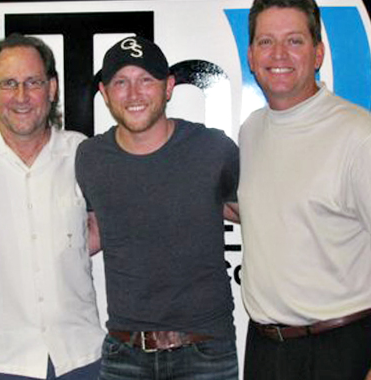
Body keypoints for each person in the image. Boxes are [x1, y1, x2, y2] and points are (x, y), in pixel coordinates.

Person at [0, 34, 105, 380]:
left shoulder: (81, 152)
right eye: (9, 84)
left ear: (52, 87)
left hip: (81, 357)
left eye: (33, 82)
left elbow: (105, 224)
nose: (22, 97)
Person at [75, 35, 240, 380]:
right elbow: (93, 231)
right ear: (104, 93)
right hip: (124, 354)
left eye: (145, 80)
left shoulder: (213, 149)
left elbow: (256, 214)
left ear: (168, 87)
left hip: (205, 353)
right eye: (121, 82)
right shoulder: (90, 158)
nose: (133, 94)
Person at [238, 0, 371, 379]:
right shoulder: (251, 131)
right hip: (266, 351)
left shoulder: (360, 137)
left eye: (295, 41)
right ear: (251, 56)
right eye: (266, 42)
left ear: (318, 53)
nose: (279, 54)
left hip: (343, 349)